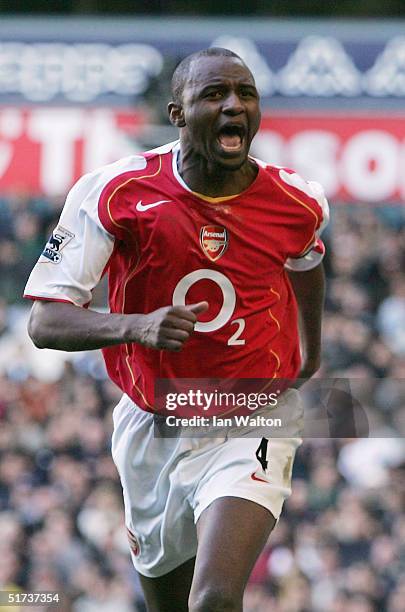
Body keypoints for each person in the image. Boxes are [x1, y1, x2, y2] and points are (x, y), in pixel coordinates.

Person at [25, 48, 328, 612]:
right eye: (214, 95)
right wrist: (135, 326)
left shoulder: (297, 200)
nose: (234, 105)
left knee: (213, 598)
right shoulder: (114, 193)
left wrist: (312, 348)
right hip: (153, 422)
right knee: (169, 600)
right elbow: (45, 321)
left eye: (245, 93)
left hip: (253, 414)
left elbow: (306, 261)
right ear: (177, 114)